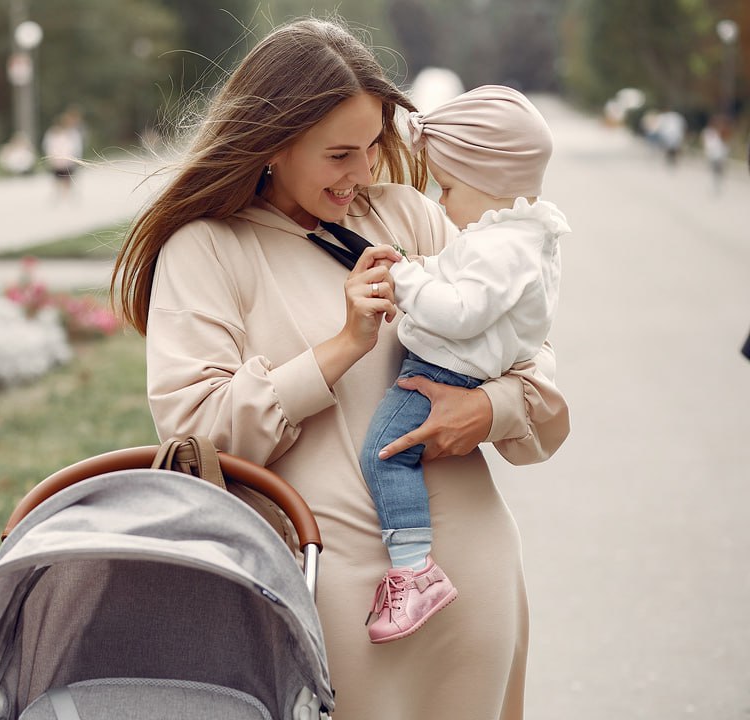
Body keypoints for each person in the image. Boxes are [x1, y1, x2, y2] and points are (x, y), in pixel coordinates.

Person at [110, 17, 569, 719]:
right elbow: (199, 437)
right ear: (273, 144)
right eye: (339, 154)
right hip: (327, 600)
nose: (362, 173)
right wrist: (341, 346)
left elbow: (534, 372)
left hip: (473, 580)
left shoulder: (410, 217)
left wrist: (488, 411)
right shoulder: (204, 251)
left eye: (373, 146)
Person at [358, 85, 571, 643]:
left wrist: (404, 278)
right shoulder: (519, 236)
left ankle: (413, 568)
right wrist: (422, 266)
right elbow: (463, 280)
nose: (441, 203)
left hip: (443, 372)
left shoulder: (498, 247)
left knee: (383, 454)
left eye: (447, 187)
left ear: (491, 183)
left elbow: (459, 310)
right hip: (460, 366)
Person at [42, 108, 84, 199]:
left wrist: (76, 158)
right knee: (57, 179)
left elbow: (76, 147)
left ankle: (66, 196)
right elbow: (48, 145)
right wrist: (50, 157)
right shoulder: (52, 133)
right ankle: (59, 195)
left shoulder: (72, 133)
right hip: (57, 161)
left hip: (68, 160)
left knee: (67, 178)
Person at [700, 116, 730, 194]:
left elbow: (725, 141)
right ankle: (714, 186)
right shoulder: (708, 132)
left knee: (718, 172)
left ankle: (717, 186)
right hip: (712, 155)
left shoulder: (720, 131)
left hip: (719, 155)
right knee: (714, 172)